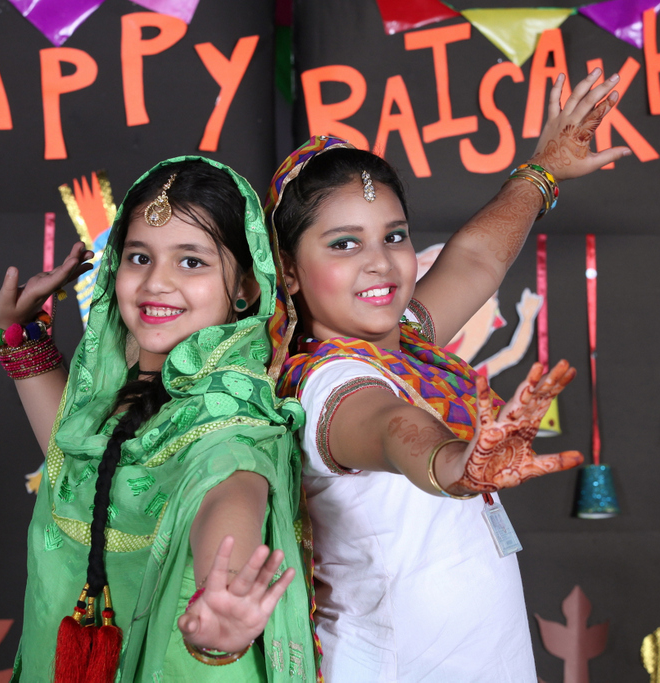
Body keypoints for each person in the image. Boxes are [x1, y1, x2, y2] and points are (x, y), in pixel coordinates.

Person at [264, 70, 629, 681]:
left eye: (395, 236)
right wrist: (457, 464)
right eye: (344, 245)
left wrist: (542, 171)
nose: (379, 261)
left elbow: (476, 258)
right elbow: (386, 427)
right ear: (290, 271)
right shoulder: (326, 384)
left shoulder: (404, 342)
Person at [0, 157, 318, 681]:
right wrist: (19, 332)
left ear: (247, 289)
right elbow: (70, 457)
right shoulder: (109, 397)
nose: (155, 283)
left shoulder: (234, 417)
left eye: (191, 262)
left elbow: (232, 486)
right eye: (139, 257)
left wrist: (225, 594)